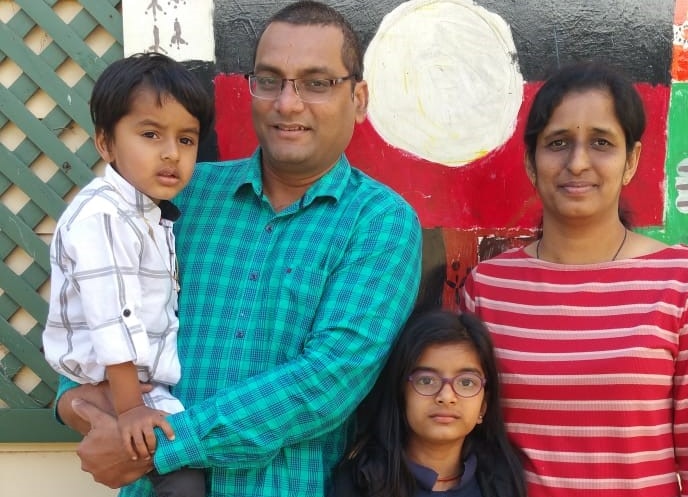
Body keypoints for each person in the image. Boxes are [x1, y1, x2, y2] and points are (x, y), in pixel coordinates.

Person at [53, 2, 423, 497]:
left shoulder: (379, 222)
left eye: (316, 83)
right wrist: (78, 406)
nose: (287, 103)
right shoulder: (179, 197)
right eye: (269, 80)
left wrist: (162, 444)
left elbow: (324, 383)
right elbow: (98, 320)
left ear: (358, 98)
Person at [460, 61, 688, 496]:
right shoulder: (488, 289)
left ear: (632, 160)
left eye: (601, 143)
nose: (577, 162)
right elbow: (464, 444)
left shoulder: (685, 281)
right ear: (532, 163)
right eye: (558, 143)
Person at [42, 52, 213, 497]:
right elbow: (111, 317)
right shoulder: (103, 215)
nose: (171, 153)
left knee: (186, 473)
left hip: (136, 384)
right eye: (151, 134)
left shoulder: (146, 213)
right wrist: (132, 408)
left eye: (187, 139)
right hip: (111, 385)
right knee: (183, 480)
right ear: (106, 143)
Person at [333, 310, 526, 497]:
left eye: (466, 382)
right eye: (426, 380)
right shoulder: (363, 481)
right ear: (401, 395)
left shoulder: (500, 482)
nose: (446, 396)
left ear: (483, 405)